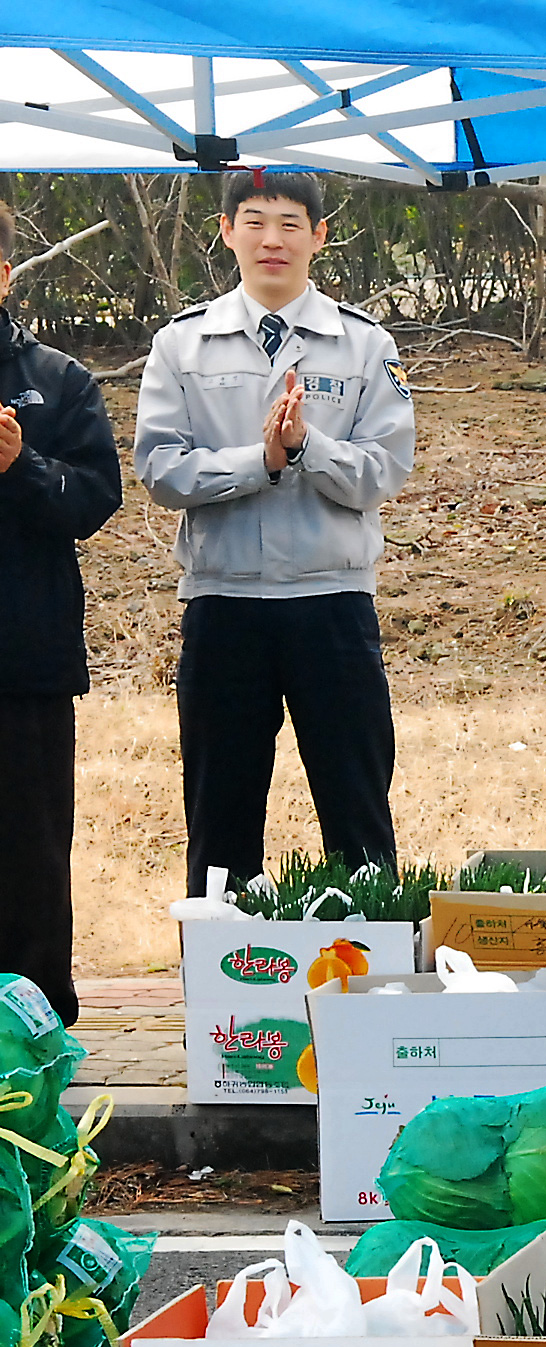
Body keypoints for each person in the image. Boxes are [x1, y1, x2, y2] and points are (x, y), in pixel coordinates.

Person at [134, 169, 415, 896]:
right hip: (225, 603)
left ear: (320, 237)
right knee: (220, 819)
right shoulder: (182, 345)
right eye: (254, 220)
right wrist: (258, 460)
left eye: (291, 223)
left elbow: (383, 471)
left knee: (357, 813)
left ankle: (370, 988)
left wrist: (308, 448)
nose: (271, 239)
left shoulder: (362, 344)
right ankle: (224, 1000)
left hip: (332, 604)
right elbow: (161, 471)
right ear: (226, 231)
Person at [0, 201, 126, 1028]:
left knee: (30, 852)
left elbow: (94, 498)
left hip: (24, 660)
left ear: (3, 273)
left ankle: (37, 1026)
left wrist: (23, 466)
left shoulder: (56, 380)